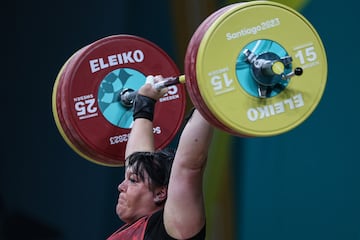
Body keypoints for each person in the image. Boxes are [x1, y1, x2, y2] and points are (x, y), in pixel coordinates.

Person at [107, 76, 214, 239]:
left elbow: (189, 166)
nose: (121, 186)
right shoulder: (136, 230)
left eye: (133, 180)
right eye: (128, 179)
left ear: (160, 193)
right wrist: (144, 103)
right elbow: (134, 161)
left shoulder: (176, 226)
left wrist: (212, 91)